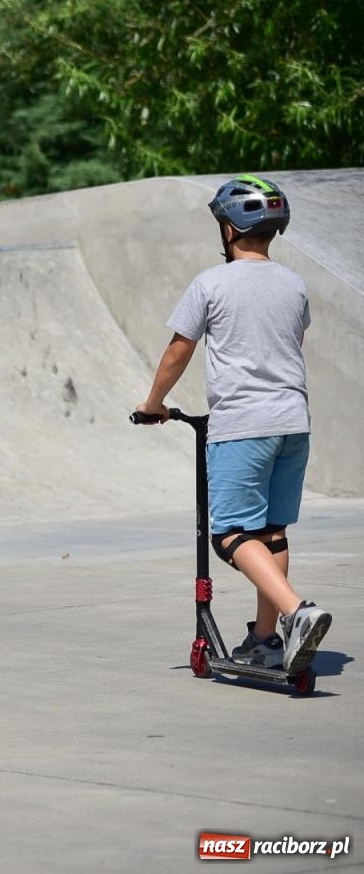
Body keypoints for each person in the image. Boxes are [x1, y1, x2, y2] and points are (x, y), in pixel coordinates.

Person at [136, 174, 331, 676]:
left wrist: (155, 402)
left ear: (228, 229)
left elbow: (180, 349)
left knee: (229, 534)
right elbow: (291, 346)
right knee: (272, 532)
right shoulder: (293, 284)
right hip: (293, 422)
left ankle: (297, 612)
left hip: (244, 424)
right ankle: (266, 640)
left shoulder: (211, 283)